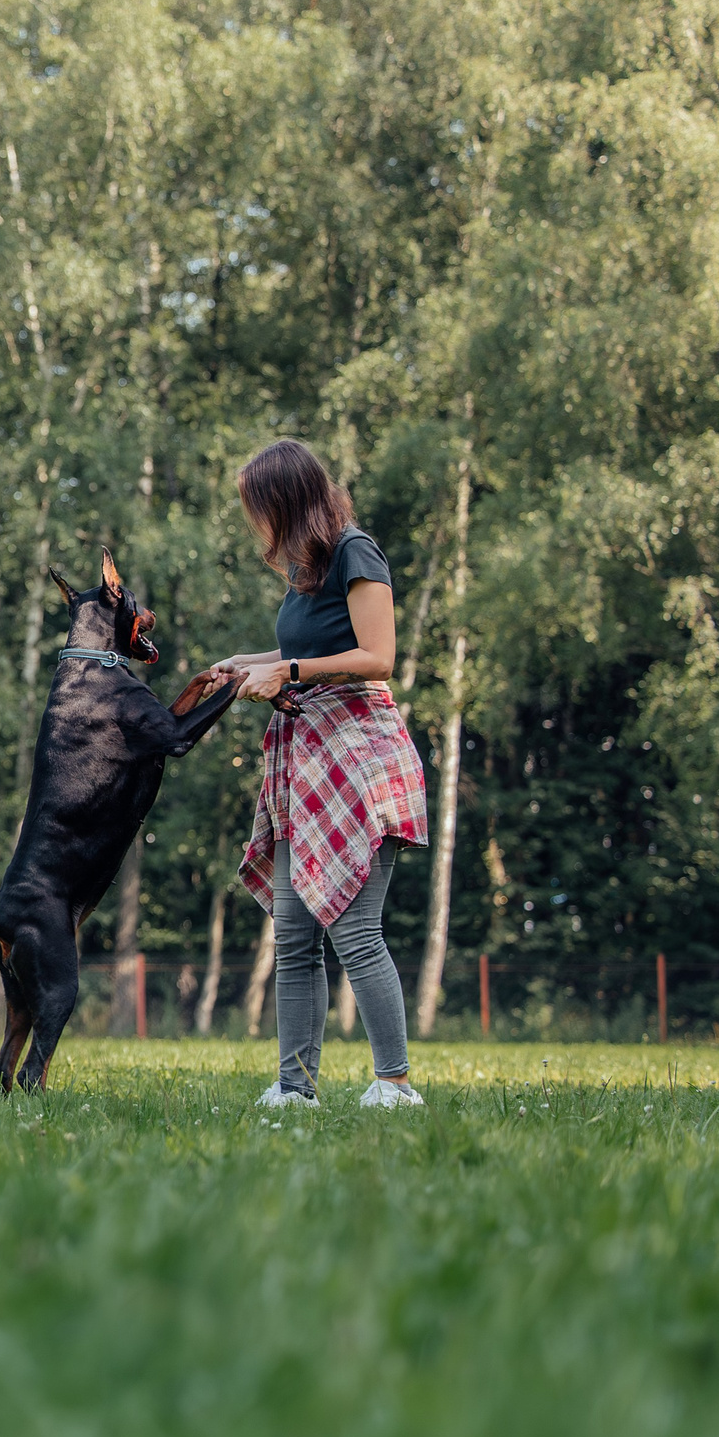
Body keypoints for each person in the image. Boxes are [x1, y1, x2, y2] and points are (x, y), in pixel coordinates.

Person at [200, 440, 431, 1109]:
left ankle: (395, 1084)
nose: (256, 522)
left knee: (355, 932)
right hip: (307, 764)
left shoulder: (357, 552)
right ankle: (295, 1088)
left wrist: (289, 671)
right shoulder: (309, 570)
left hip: (360, 759)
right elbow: (305, 648)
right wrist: (244, 665)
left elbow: (377, 655)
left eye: (259, 506)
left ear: (287, 500)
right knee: (295, 938)